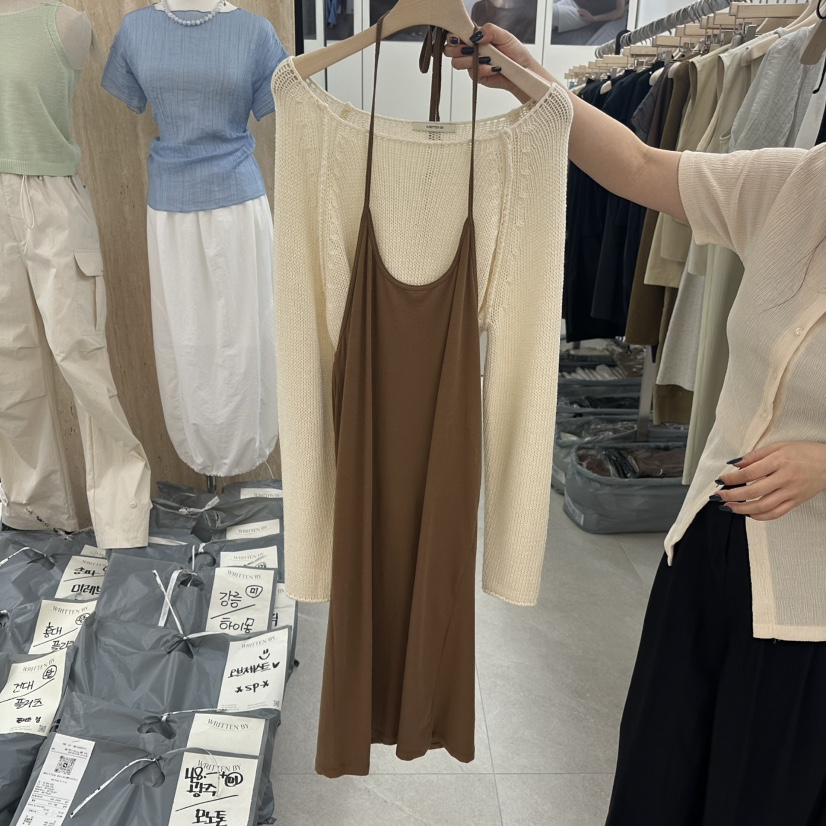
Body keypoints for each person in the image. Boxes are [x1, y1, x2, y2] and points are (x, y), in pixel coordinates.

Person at [447, 25, 826, 826]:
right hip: (707, 547)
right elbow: (640, 165)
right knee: (659, 777)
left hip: (809, 604)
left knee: (756, 797)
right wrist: (528, 78)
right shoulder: (796, 184)